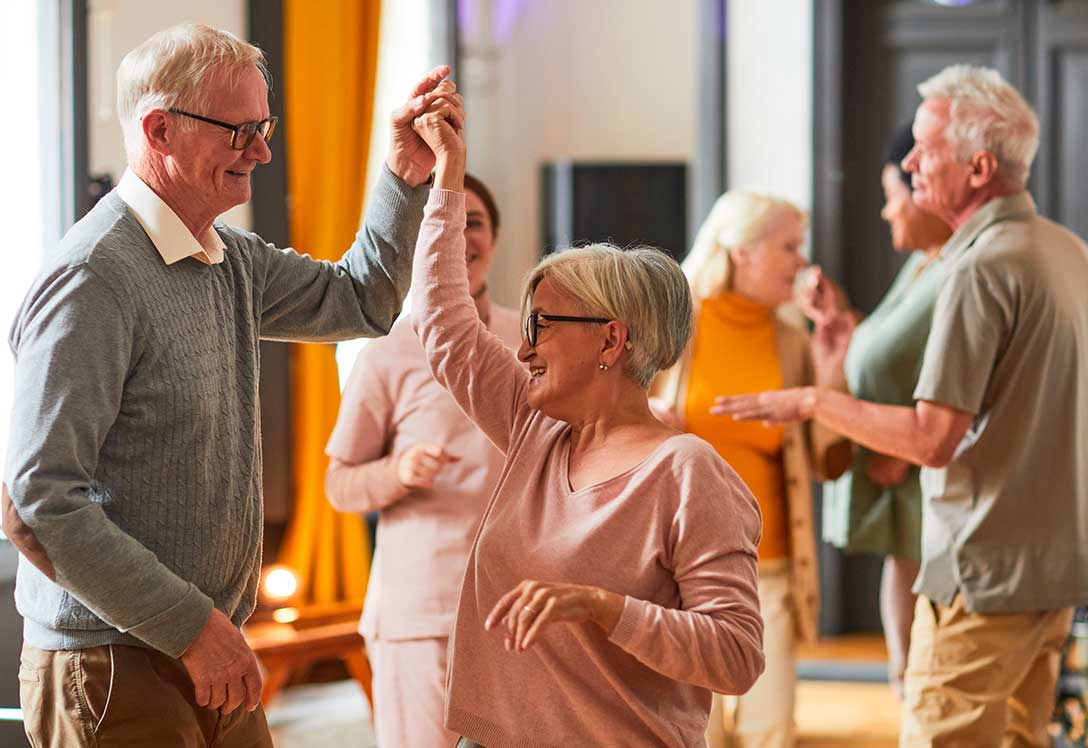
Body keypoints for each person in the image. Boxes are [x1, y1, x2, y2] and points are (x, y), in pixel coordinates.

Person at [1, 23, 461, 748]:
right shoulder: (92, 277)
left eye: (265, 126)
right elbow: (36, 501)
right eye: (242, 130)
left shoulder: (228, 259)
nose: (264, 151)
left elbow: (363, 300)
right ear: (160, 129)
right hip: (114, 661)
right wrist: (192, 629)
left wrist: (402, 176)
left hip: (203, 646)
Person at [713, 64, 1088, 747]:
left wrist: (810, 399)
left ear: (977, 167)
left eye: (925, 148)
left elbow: (929, 439)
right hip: (1055, 570)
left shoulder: (977, 267)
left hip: (982, 574)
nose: (909, 163)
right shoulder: (1065, 250)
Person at [406, 93, 765, 748]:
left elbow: (737, 655)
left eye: (544, 326)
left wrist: (605, 609)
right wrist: (448, 173)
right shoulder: (533, 428)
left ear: (611, 341)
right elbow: (445, 324)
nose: (524, 347)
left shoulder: (687, 472)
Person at [325, 172, 520, 747]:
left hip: (518, 611)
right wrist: (397, 472)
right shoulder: (388, 349)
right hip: (421, 614)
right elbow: (340, 485)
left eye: (475, 222)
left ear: (496, 239)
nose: (462, 236)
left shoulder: (532, 342)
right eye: (448, 222)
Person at [652, 190, 850, 748]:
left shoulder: (791, 340)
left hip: (771, 569)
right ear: (741, 250)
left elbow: (829, 461)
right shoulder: (670, 325)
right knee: (694, 733)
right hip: (678, 568)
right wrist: (645, 416)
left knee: (771, 732)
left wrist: (831, 373)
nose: (801, 262)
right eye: (788, 247)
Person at [806, 124, 952, 700]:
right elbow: (895, 346)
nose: (888, 210)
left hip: (924, 469)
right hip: (901, 469)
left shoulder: (956, 273)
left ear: (923, 191)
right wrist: (843, 321)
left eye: (893, 192)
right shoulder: (920, 264)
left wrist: (910, 457)